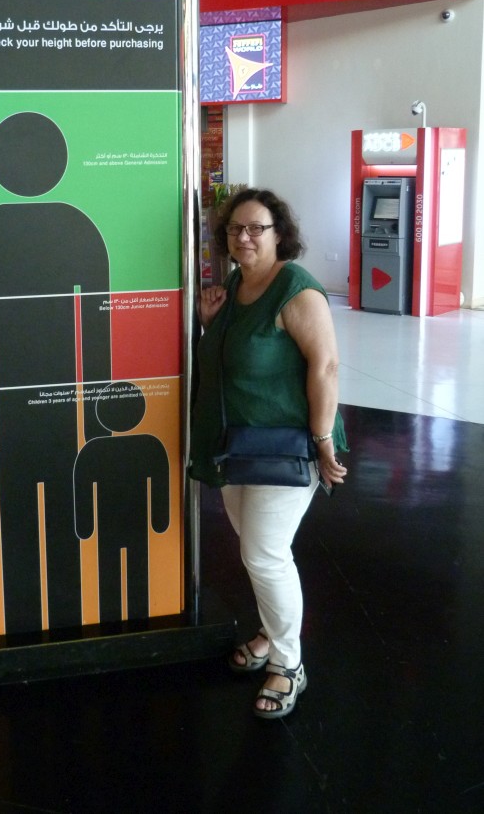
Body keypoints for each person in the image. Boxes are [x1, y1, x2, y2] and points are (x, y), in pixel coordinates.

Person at [189, 187, 348, 720]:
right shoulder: (236, 286)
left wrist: (322, 441)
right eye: (236, 228)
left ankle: (288, 663)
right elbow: (238, 358)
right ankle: (271, 632)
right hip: (240, 446)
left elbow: (325, 367)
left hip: (288, 448)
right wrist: (210, 323)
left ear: (280, 234)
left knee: (264, 554)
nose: (244, 237)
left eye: (257, 227)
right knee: (256, 550)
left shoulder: (295, 289)